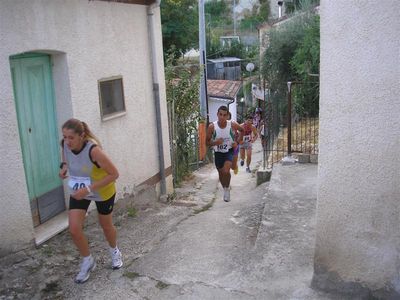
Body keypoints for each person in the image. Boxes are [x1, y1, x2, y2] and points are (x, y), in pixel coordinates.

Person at [59, 118, 122, 284]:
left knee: (106, 225)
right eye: (65, 137)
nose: (67, 141)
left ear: (82, 136)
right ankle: (88, 261)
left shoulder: (93, 151)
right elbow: (65, 156)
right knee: (73, 229)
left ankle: (114, 251)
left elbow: (114, 174)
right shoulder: (65, 144)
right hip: (80, 190)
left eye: (71, 137)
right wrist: (64, 167)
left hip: (102, 190)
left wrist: (88, 189)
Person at [206, 106, 243, 202]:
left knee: (226, 170)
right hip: (218, 153)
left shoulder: (232, 124)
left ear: (227, 116)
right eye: (220, 114)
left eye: (224, 115)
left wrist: (237, 142)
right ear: (217, 115)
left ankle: (227, 190)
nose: (222, 117)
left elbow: (242, 130)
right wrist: (215, 143)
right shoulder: (212, 127)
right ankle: (225, 188)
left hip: (229, 151)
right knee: (221, 174)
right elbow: (207, 142)